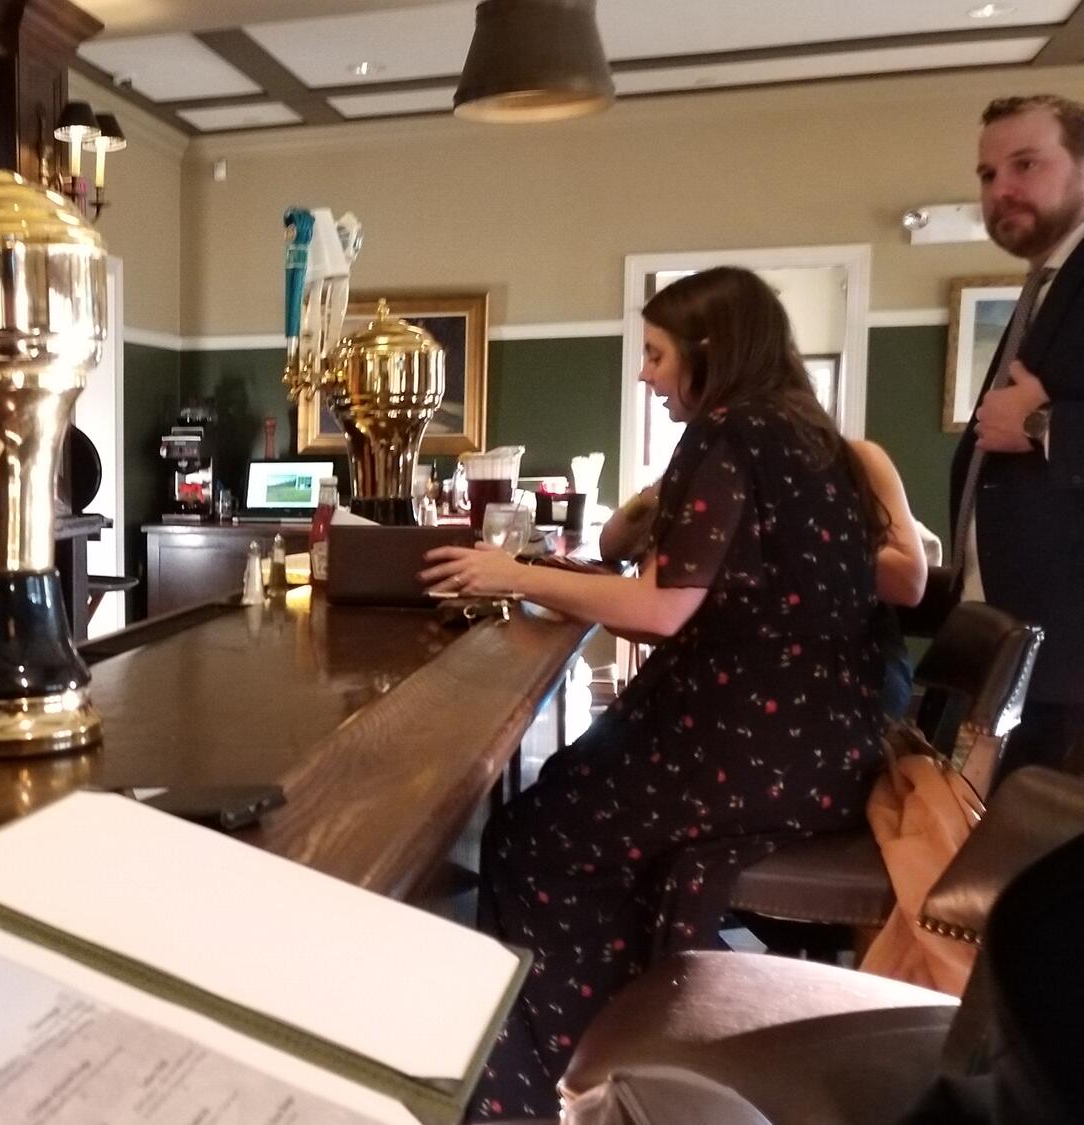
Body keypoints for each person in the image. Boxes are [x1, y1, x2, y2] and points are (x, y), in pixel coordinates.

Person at [424, 267, 888, 1120]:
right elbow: (700, 590)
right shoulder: (812, 436)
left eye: (656, 354)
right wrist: (559, 573)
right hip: (829, 751)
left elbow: (663, 607)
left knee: (531, 838)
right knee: (566, 799)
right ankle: (617, 1046)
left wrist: (511, 573)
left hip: (753, 751)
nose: (644, 374)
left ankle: (544, 1090)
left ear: (710, 352)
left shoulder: (728, 431)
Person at [946, 94, 1084, 776]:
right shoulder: (1047, 285)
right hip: (1019, 644)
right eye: (987, 174)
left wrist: (1039, 424)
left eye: (1026, 164)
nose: (1001, 189)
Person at [603, 438, 926, 715]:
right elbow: (611, 544)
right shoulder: (711, 473)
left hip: (852, 662)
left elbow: (909, 582)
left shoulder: (857, 460)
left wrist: (791, 531)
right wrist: (656, 492)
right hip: (743, 661)